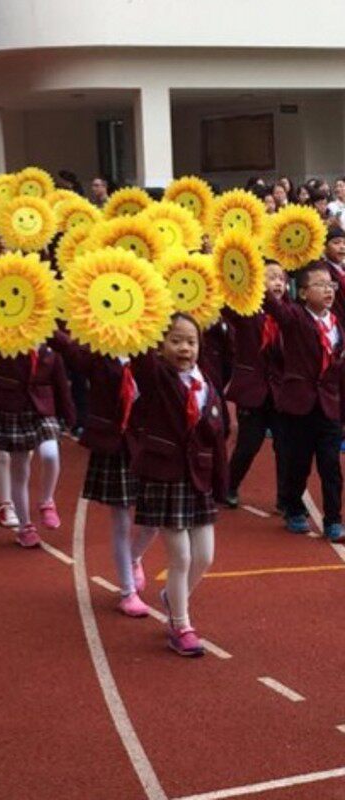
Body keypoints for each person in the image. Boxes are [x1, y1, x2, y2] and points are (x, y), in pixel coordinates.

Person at [130, 313, 227, 657]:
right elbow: (140, 356)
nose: (184, 348)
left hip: (198, 478)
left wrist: (221, 482)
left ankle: (173, 598)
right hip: (165, 476)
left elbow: (216, 437)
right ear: (160, 344)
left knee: (205, 555)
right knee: (181, 556)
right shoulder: (156, 376)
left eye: (191, 341)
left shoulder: (206, 382)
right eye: (175, 340)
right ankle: (181, 625)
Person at [53, 333, 158, 617]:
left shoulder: (150, 352)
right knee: (121, 519)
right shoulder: (99, 353)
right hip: (113, 445)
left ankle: (134, 557)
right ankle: (127, 591)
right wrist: (42, 321)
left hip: (145, 444)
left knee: (156, 518)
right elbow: (71, 351)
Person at [0, 339, 75, 547]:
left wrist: (69, 415)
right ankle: (26, 526)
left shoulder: (50, 348)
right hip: (12, 408)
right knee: (20, 469)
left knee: (51, 453)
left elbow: (61, 384)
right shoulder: (3, 343)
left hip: (42, 410)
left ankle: (46, 501)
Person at [263, 264, 345, 541]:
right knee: (297, 463)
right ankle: (294, 509)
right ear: (303, 292)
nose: (327, 289)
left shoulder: (337, 324)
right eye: (320, 284)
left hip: (328, 407)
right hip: (298, 406)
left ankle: (333, 519)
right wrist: (255, 277)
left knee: (331, 466)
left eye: (330, 284)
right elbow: (273, 306)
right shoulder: (295, 317)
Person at [224, 262, 289, 511]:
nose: (277, 283)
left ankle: (285, 499)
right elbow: (227, 308)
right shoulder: (247, 311)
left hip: (281, 392)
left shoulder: (292, 313)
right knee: (248, 444)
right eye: (271, 277)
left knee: (285, 446)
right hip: (253, 390)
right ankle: (230, 485)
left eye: (282, 278)